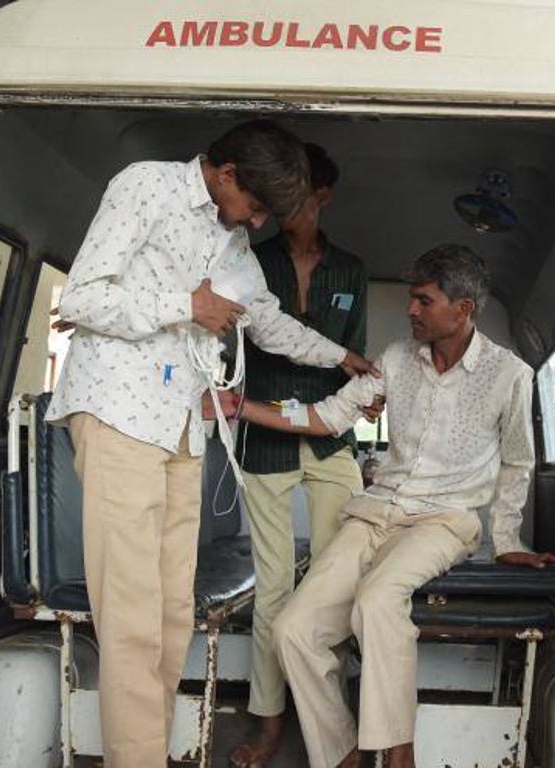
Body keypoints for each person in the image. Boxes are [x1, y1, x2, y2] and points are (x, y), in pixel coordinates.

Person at [45, 119, 376, 768]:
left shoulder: (231, 246)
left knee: (171, 616)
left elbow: (273, 326)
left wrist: (345, 359)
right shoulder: (145, 187)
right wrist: (184, 305)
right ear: (226, 174)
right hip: (118, 412)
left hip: (179, 426)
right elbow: (82, 298)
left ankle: (142, 754)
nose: (255, 224)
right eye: (253, 207)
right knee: (134, 618)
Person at [208, 244, 555, 768]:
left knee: (375, 600)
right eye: (412, 300)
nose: (411, 311)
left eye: (424, 300)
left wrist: (506, 540)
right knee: (293, 629)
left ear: (462, 310)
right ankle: (342, 751)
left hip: (444, 521)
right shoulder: (397, 358)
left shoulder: (510, 375)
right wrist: (244, 408)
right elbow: (327, 416)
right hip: (375, 511)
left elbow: (517, 463)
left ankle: (400, 754)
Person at [230, 143, 369, 768]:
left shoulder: (352, 270)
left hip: (333, 439)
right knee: (273, 588)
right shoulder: (249, 263)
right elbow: (248, 346)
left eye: (301, 194)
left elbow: (357, 359)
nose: (287, 206)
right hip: (265, 436)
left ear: (323, 197)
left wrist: (363, 398)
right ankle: (267, 720)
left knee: (333, 584)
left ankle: (329, 715)